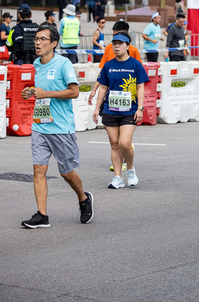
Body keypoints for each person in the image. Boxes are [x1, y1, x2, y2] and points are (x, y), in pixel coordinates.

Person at [20, 25, 94, 228]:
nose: (38, 42)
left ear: (54, 43)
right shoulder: (36, 64)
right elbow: (42, 89)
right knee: (38, 169)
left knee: (66, 172)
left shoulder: (63, 64)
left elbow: (74, 92)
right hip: (40, 125)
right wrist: (31, 92)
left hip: (61, 127)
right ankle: (42, 215)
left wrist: (46, 94)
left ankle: (83, 198)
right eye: (36, 39)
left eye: (43, 39)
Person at [93, 32, 148, 189]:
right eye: (114, 44)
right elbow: (103, 87)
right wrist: (96, 109)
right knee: (115, 144)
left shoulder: (136, 65)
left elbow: (140, 87)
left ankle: (130, 169)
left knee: (125, 143)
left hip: (129, 110)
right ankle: (117, 177)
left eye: (120, 43)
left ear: (128, 46)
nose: (117, 46)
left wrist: (140, 108)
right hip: (110, 110)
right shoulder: (108, 65)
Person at [88, 20, 143, 107]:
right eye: (113, 36)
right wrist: (94, 89)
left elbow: (140, 78)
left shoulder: (134, 51)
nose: (115, 40)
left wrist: (140, 106)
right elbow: (103, 72)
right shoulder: (109, 48)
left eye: (118, 36)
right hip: (110, 95)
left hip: (129, 97)